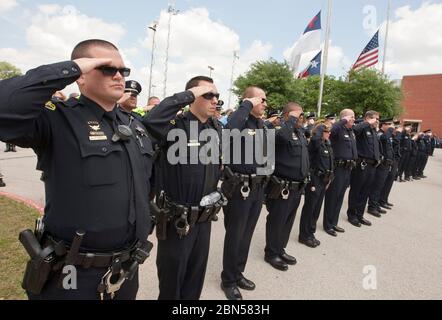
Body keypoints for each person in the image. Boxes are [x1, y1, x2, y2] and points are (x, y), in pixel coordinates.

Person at [0, 39, 154, 300]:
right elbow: (5, 105)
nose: (118, 75)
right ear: (80, 77)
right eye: (106, 68)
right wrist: (71, 67)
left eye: (123, 70)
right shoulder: (57, 118)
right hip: (73, 274)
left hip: (126, 269)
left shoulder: (135, 126)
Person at [142, 76, 224, 300]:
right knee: (172, 282)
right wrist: (187, 95)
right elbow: (149, 122)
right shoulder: (174, 125)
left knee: (194, 280)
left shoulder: (216, 128)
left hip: (205, 219)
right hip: (177, 220)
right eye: (208, 94)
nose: (214, 99)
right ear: (193, 96)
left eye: (216, 95)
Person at [220, 86, 269, 300]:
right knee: (235, 235)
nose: (266, 104)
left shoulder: (260, 124)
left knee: (246, 234)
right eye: (262, 99)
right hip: (239, 188)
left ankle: (238, 272)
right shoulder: (239, 120)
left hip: (257, 188)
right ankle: (228, 280)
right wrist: (247, 104)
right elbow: (229, 130)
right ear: (249, 100)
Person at [265, 102, 308, 268]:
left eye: (301, 115)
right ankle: (271, 253)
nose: (301, 118)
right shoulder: (279, 130)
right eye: (297, 115)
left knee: (288, 221)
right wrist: (290, 121)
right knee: (277, 220)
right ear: (287, 115)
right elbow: (282, 138)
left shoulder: (299, 132)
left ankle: (280, 248)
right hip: (282, 186)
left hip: (297, 186)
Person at [323, 109, 357, 236]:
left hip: (348, 168)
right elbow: (331, 129)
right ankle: (328, 225)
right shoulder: (338, 129)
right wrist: (342, 121)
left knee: (339, 197)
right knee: (332, 197)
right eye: (351, 117)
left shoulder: (351, 131)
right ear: (345, 118)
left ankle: (334, 222)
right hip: (338, 168)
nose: (353, 119)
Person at [299, 121, 333, 247]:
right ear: (319, 132)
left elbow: (330, 163)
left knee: (316, 209)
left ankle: (310, 233)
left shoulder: (327, 143)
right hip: (315, 179)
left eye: (329, 132)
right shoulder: (315, 143)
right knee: (310, 208)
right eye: (326, 131)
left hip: (324, 180)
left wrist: (330, 178)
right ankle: (304, 235)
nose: (329, 134)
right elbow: (315, 139)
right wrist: (320, 128)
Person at [347, 111, 380, 228]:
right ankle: (352, 215)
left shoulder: (373, 130)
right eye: (375, 119)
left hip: (371, 165)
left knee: (365, 191)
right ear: (367, 118)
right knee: (356, 190)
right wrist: (367, 123)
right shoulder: (362, 127)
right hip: (362, 164)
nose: (377, 121)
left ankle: (359, 214)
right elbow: (355, 130)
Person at [367, 118, 395, 217]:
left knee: (380, 186)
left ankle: (376, 204)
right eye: (388, 124)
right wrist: (391, 130)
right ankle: (372, 207)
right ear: (383, 125)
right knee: (376, 186)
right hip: (381, 165)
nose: (390, 126)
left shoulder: (386, 135)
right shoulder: (380, 134)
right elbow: (383, 138)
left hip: (386, 164)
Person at [379, 123, 402, 209]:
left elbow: (396, 143)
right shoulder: (383, 134)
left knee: (389, 182)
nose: (394, 129)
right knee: (383, 183)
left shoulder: (390, 135)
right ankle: (380, 201)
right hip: (386, 161)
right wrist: (396, 132)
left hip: (393, 160)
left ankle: (384, 199)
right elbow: (392, 141)